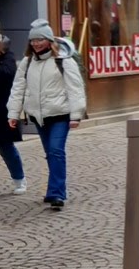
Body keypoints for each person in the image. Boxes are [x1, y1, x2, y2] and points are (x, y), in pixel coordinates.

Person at [7, 19, 86, 210]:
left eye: (40, 39)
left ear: (50, 40)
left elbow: (75, 88)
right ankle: (54, 189)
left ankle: (57, 193)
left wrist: (76, 115)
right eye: (33, 40)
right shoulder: (27, 62)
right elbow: (18, 89)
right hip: (39, 117)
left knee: (56, 151)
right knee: (50, 153)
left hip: (60, 114)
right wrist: (13, 113)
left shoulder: (63, 61)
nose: (36, 43)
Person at [0, 29, 26, 193]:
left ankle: (19, 179)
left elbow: (7, 74)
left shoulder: (8, 56)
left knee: (5, 147)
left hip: (1, 110)